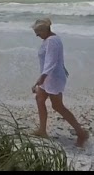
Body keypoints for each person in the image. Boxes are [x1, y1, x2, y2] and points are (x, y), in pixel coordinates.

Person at [31, 18, 89, 147]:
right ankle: (42, 130)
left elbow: (51, 61)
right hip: (48, 76)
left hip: (53, 78)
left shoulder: (52, 41)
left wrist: (41, 78)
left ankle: (81, 133)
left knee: (58, 106)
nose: (37, 35)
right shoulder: (51, 39)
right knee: (39, 99)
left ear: (45, 30)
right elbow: (54, 59)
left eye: (38, 32)